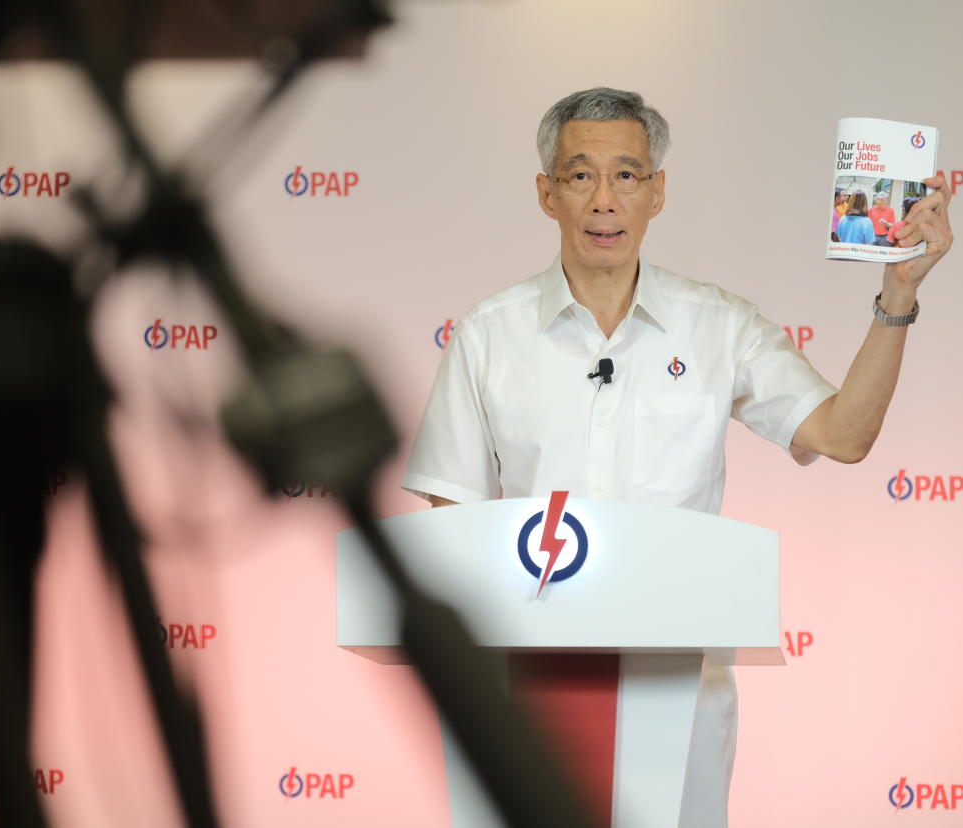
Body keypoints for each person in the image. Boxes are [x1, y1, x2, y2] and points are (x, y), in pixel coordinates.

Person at [401, 87, 953, 826]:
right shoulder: (486, 336)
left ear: (657, 193)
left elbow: (843, 436)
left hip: (677, 692)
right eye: (580, 175)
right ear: (546, 194)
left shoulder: (717, 325)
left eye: (627, 175)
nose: (605, 200)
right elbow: (450, 523)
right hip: (525, 695)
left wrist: (897, 297)